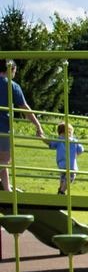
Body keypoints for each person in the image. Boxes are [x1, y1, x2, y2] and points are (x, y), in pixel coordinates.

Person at [0, 59, 44, 192]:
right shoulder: (12, 86)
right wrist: (38, 125)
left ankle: (7, 189)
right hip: (3, 127)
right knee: (5, 161)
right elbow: (24, 108)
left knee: (2, 161)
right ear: (11, 70)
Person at [47, 122, 84, 193]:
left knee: (63, 178)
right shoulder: (73, 141)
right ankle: (61, 191)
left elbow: (50, 143)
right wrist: (78, 153)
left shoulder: (58, 140)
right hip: (71, 165)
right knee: (70, 178)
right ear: (69, 132)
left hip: (61, 164)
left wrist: (41, 137)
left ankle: (60, 189)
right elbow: (81, 149)